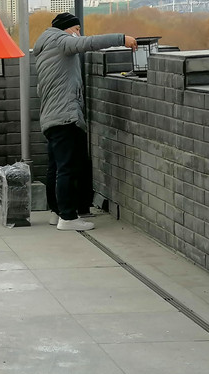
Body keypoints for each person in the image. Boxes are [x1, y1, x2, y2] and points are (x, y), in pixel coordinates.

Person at [33, 12, 137, 231]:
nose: (79, 34)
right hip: (65, 117)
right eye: (77, 29)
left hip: (51, 117)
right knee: (68, 169)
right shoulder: (61, 41)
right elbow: (90, 43)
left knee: (56, 167)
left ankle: (57, 212)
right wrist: (122, 39)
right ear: (67, 28)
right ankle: (68, 218)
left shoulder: (45, 48)